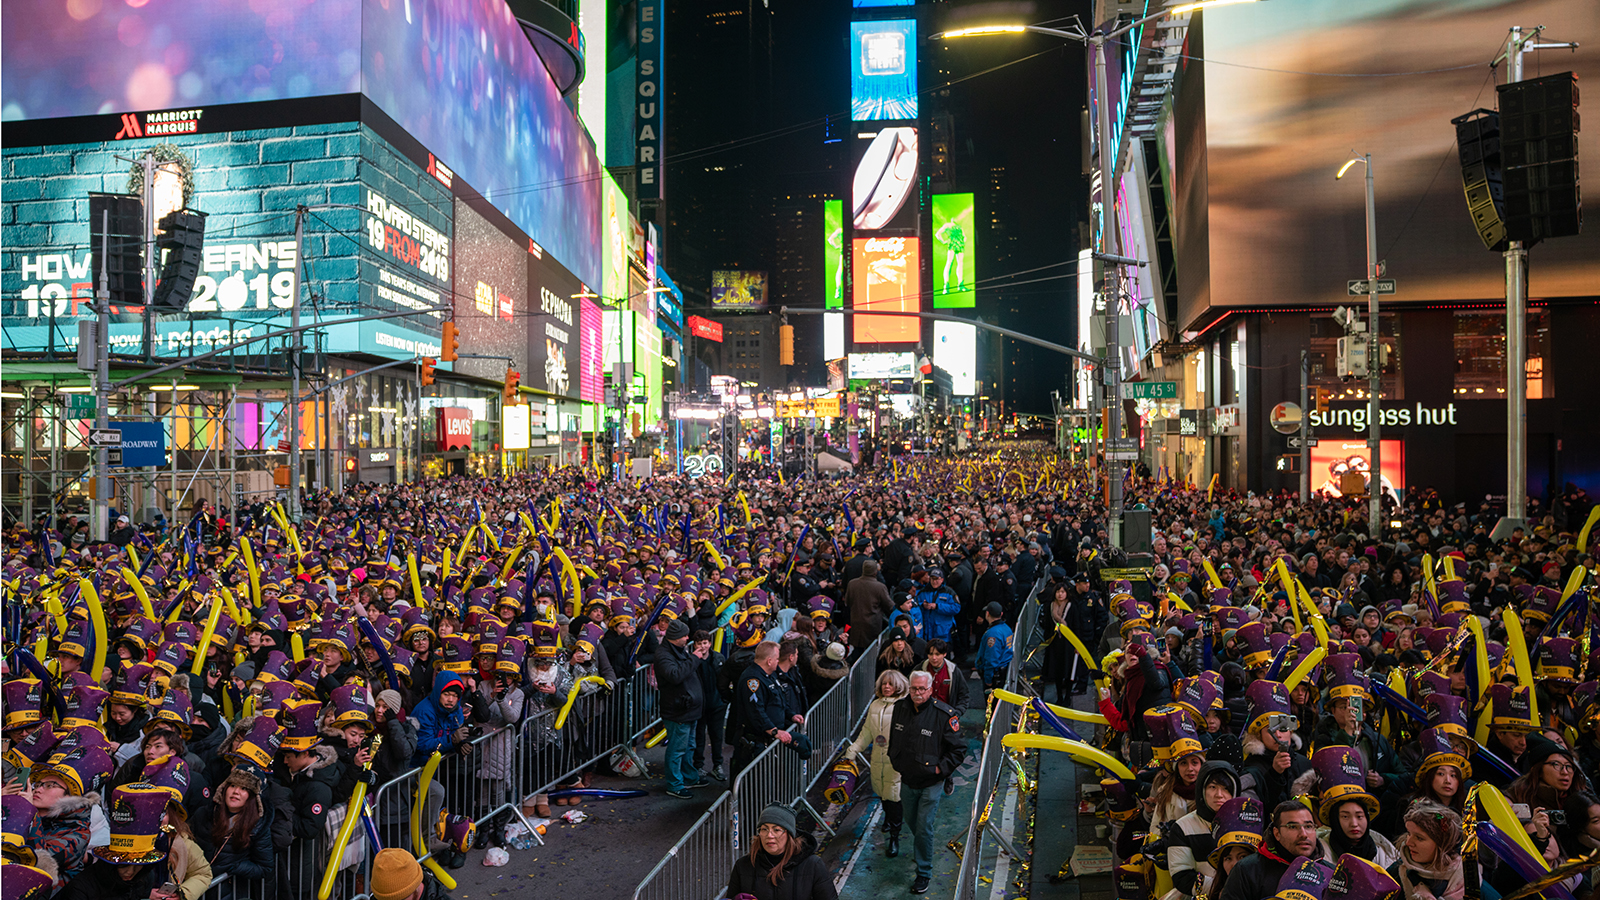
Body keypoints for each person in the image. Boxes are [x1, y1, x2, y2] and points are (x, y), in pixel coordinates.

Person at [887, 670, 967, 894]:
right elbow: (895, 737)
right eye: (914, 688)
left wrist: (941, 769)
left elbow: (959, 749)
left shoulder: (944, 714)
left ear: (931, 690)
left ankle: (924, 873)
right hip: (907, 778)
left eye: (922, 689)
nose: (917, 693)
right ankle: (923, 852)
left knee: (923, 828)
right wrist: (895, 759)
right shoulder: (900, 708)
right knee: (912, 822)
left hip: (931, 782)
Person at [846, 670, 910, 858]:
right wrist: (854, 749)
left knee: (894, 797)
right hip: (877, 758)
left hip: (895, 761)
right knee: (882, 793)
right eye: (884, 683)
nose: (887, 687)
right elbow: (867, 732)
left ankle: (894, 837)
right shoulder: (874, 705)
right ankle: (889, 820)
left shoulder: (904, 706)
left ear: (898, 686)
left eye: (890, 684)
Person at [1217, 801, 1328, 900]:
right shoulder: (1247, 870)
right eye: (1293, 827)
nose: (1303, 834)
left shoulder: (1330, 872)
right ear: (1277, 833)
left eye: (1308, 826)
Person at [725, 804, 838, 900]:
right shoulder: (743, 865)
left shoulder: (813, 865)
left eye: (776, 830)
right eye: (764, 829)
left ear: (789, 834)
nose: (769, 835)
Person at [653, 618, 706, 800]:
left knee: (689, 746)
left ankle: (689, 777)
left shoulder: (679, 650)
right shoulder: (663, 655)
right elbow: (676, 675)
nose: (687, 638)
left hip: (688, 708)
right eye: (684, 635)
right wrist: (694, 658)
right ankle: (675, 784)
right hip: (678, 710)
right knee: (677, 749)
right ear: (675, 638)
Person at [731, 642, 797, 779]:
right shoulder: (752, 680)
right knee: (754, 779)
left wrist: (791, 715)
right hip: (754, 740)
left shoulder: (770, 675)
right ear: (769, 660)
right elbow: (755, 711)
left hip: (767, 738)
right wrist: (773, 731)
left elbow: (779, 700)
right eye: (777, 658)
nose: (778, 662)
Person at [1387, 801, 1463, 900]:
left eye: (1419, 838)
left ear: (1442, 844)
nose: (1408, 843)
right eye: (1409, 833)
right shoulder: (1396, 873)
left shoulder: (1467, 878)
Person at [691, 629, 731, 783]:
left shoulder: (718, 658)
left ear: (710, 643)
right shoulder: (693, 660)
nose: (703, 646)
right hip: (700, 705)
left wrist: (724, 699)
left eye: (705, 643)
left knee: (716, 736)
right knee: (699, 737)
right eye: (700, 643)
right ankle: (698, 766)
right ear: (695, 644)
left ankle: (717, 765)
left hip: (716, 704)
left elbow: (725, 679)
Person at [847, 560, 894, 654]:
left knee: (857, 651)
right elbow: (889, 606)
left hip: (856, 622)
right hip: (872, 625)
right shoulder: (880, 587)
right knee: (871, 653)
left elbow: (848, 602)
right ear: (875, 572)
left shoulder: (852, 583)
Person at [914, 639, 969, 717]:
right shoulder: (920, 669)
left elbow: (964, 695)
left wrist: (957, 713)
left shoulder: (954, 671)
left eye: (937, 654)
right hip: (924, 715)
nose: (934, 658)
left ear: (945, 654)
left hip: (946, 715)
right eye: (930, 654)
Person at [975, 602, 1014, 691]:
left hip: (995, 675)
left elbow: (992, 658)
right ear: (1001, 614)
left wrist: (988, 679)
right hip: (1003, 670)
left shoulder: (993, 634)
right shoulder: (1006, 628)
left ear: (987, 613)